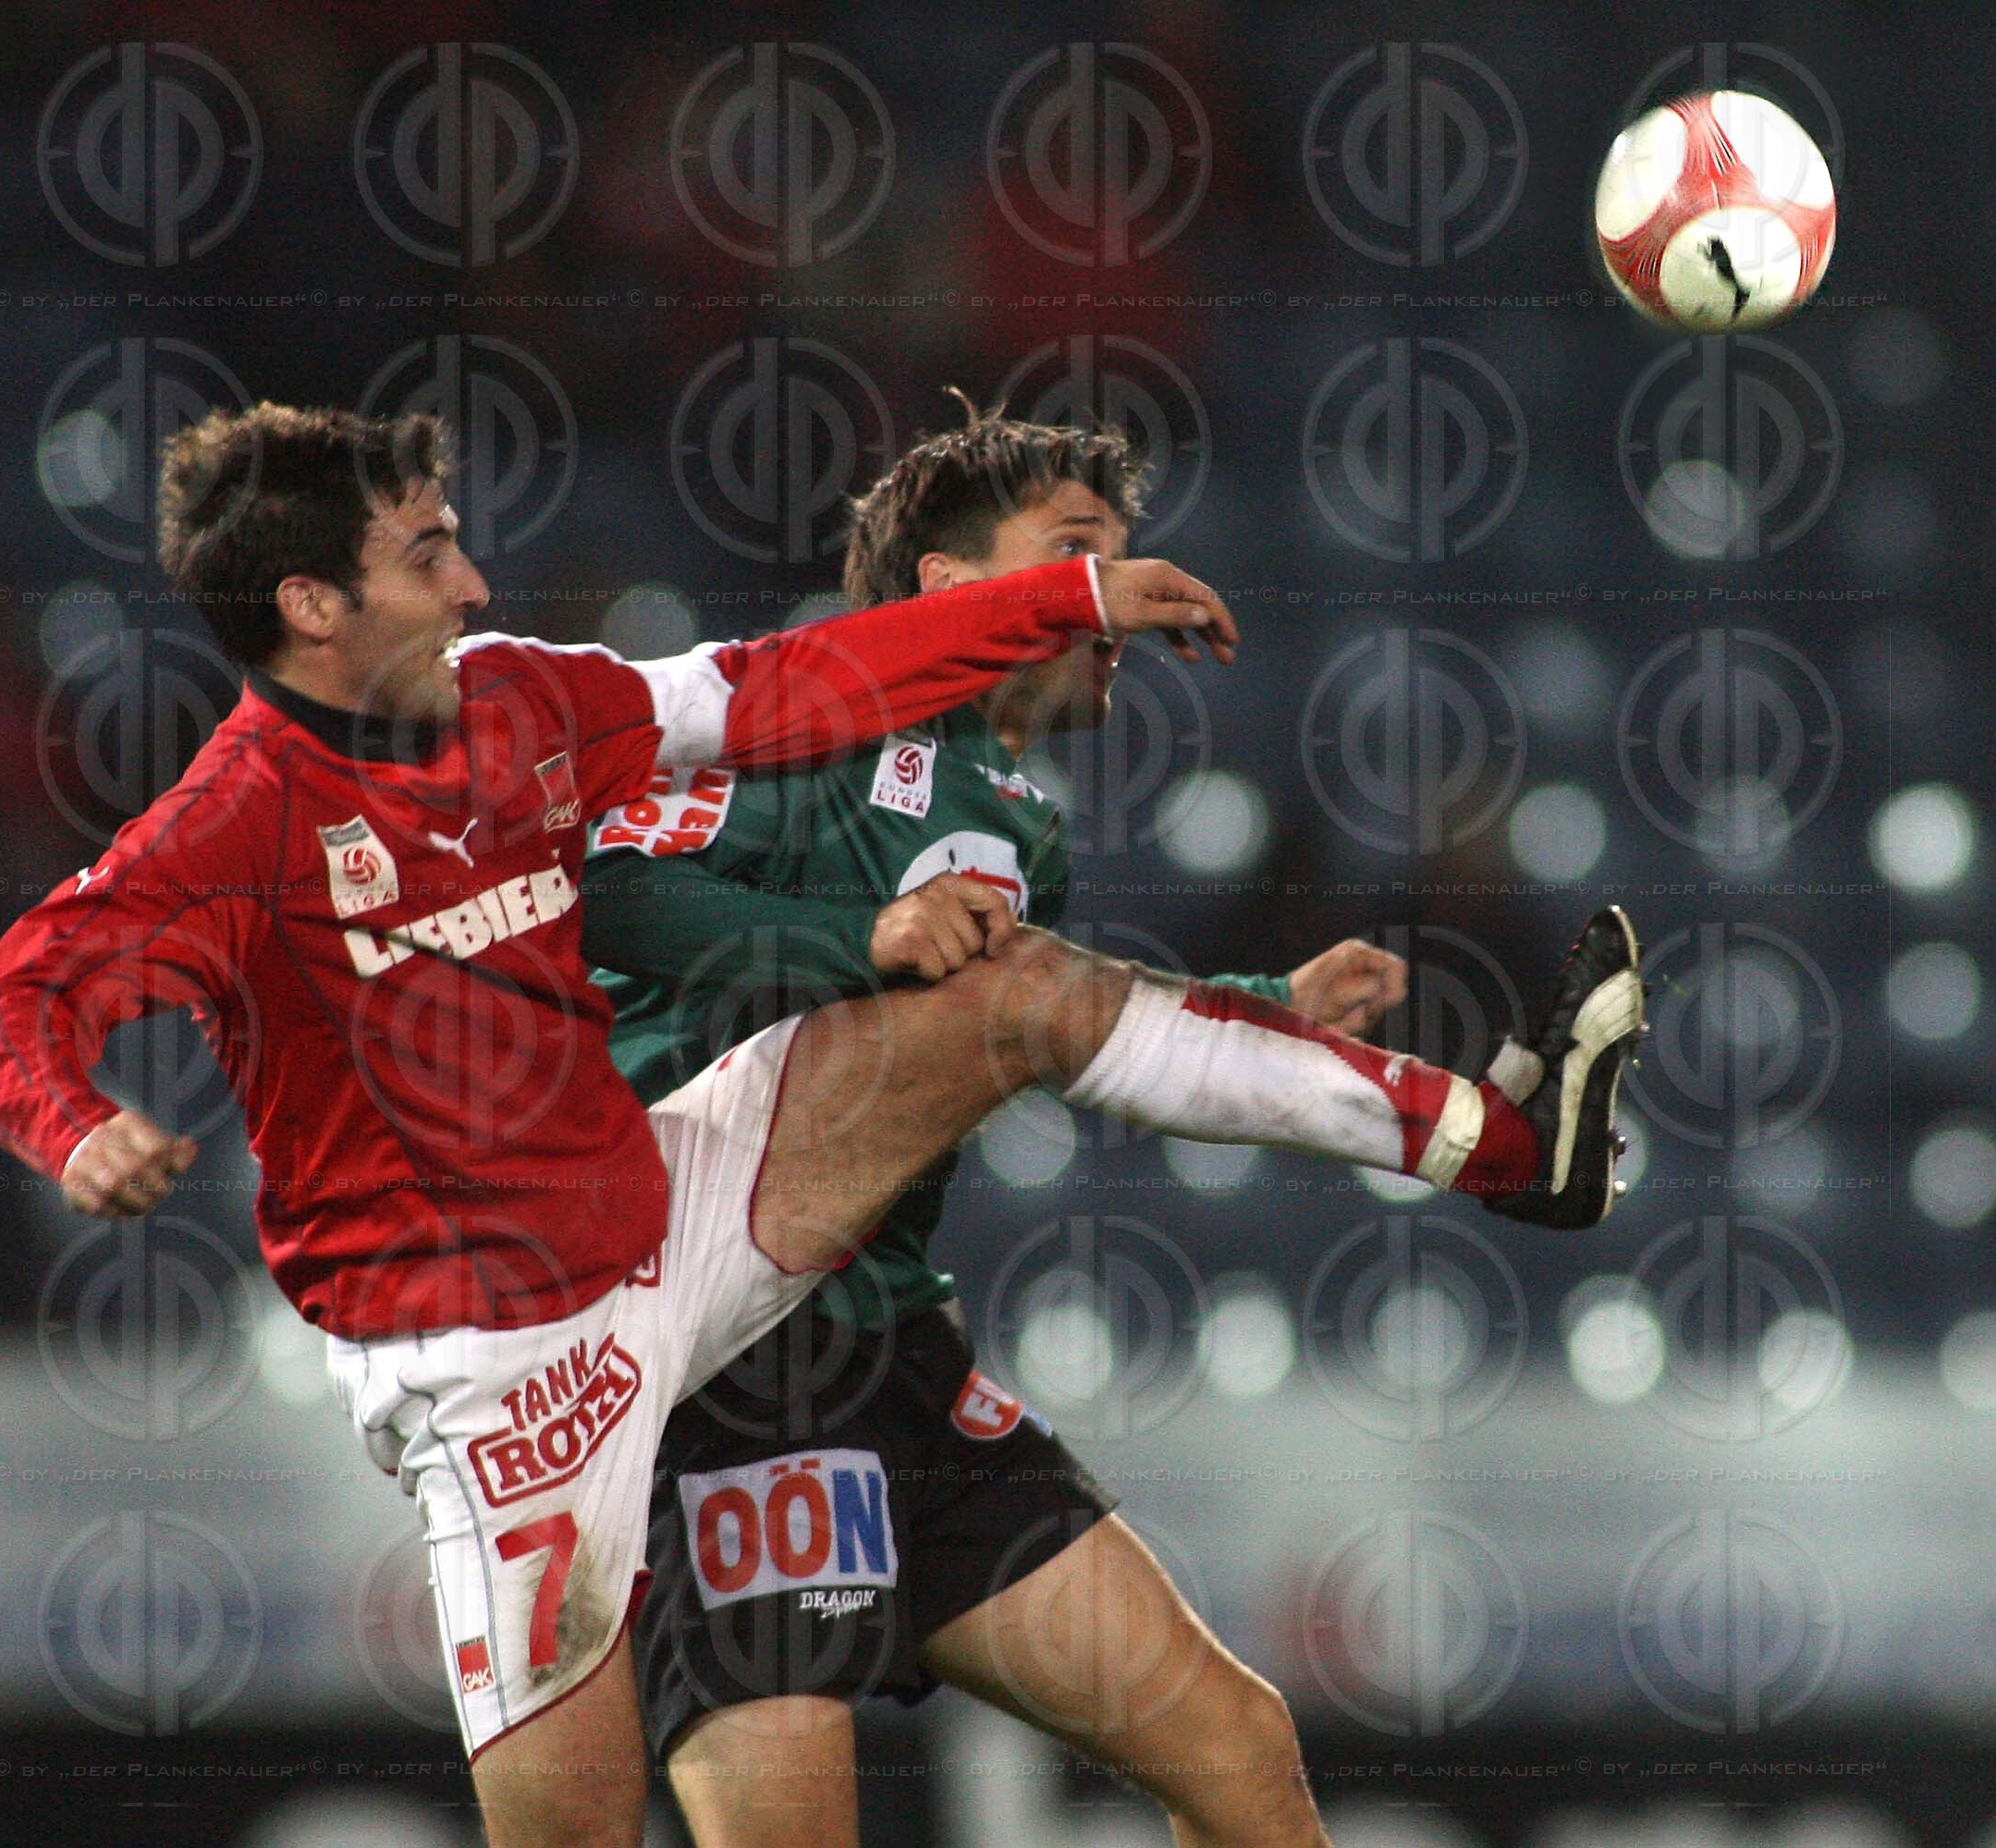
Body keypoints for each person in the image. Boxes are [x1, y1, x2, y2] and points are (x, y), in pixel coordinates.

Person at [0, 403, 1641, 1848]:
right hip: (523, 1366)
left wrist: (1073, 631)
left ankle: (1508, 1146)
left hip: (733, 1250)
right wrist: (71, 1126)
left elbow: (779, 682)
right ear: (312, 605)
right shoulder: (232, 829)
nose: (471, 581)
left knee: (1239, 1744)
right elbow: (16, 1006)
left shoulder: (539, 703)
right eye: (425, 558)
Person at [575, 400, 1610, 1846]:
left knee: (1239, 1753)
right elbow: (606, 895)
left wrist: (1259, 997)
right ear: (950, 593)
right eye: (1075, 556)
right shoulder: (792, 714)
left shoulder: (1021, 820)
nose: (1116, 600)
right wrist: (863, 935)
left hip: (894, 1353)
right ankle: (1497, 1143)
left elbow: (1028, 1029)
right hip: (726, 1356)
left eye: (1120, 557)